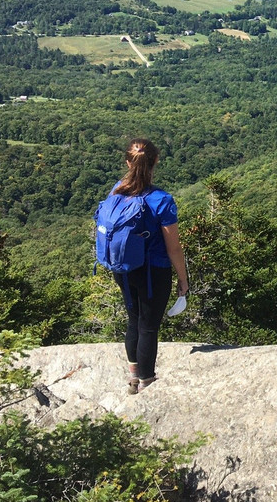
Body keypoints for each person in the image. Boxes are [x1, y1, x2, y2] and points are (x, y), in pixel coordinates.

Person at [105, 138, 188, 393]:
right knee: (148, 326)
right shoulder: (162, 200)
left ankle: (133, 376)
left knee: (134, 320)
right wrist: (183, 280)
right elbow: (173, 247)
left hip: (124, 268)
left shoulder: (117, 190)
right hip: (154, 271)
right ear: (156, 161)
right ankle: (146, 381)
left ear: (128, 162)